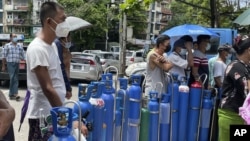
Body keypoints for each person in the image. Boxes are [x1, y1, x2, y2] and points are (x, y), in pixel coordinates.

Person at [25, 2, 87, 140]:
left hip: (56, 112)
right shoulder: (37, 48)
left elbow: (58, 78)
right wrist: (68, 118)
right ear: (49, 21)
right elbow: (48, 88)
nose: (66, 23)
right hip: (45, 117)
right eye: (62, 19)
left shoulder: (52, 45)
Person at [218, 35, 250, 141]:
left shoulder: (245, 66)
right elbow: (246, 91)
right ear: (248, 50)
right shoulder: (236, 67)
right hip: (231, 116)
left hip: (240, 116)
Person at [1, 33, 25, 100]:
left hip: (17, 63)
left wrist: (25, 59)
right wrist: (3, 65)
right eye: (14, 36)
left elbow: (23, 54)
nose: (15, 38)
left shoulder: (19, 46)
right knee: (12, 78)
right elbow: (3, 56)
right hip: (10, 63)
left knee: (16, 78)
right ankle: (15, 93)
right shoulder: (7, 46)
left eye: (16, 36)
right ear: (11, 38)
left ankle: (12, 94)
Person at [54, 33, 72, 99]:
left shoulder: (66, 50)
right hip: (58, 83)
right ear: (65, 37)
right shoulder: (57, 44)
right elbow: (61, 67)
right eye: (69, 38)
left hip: (61, 82)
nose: (70, 41)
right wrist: (68, 88)